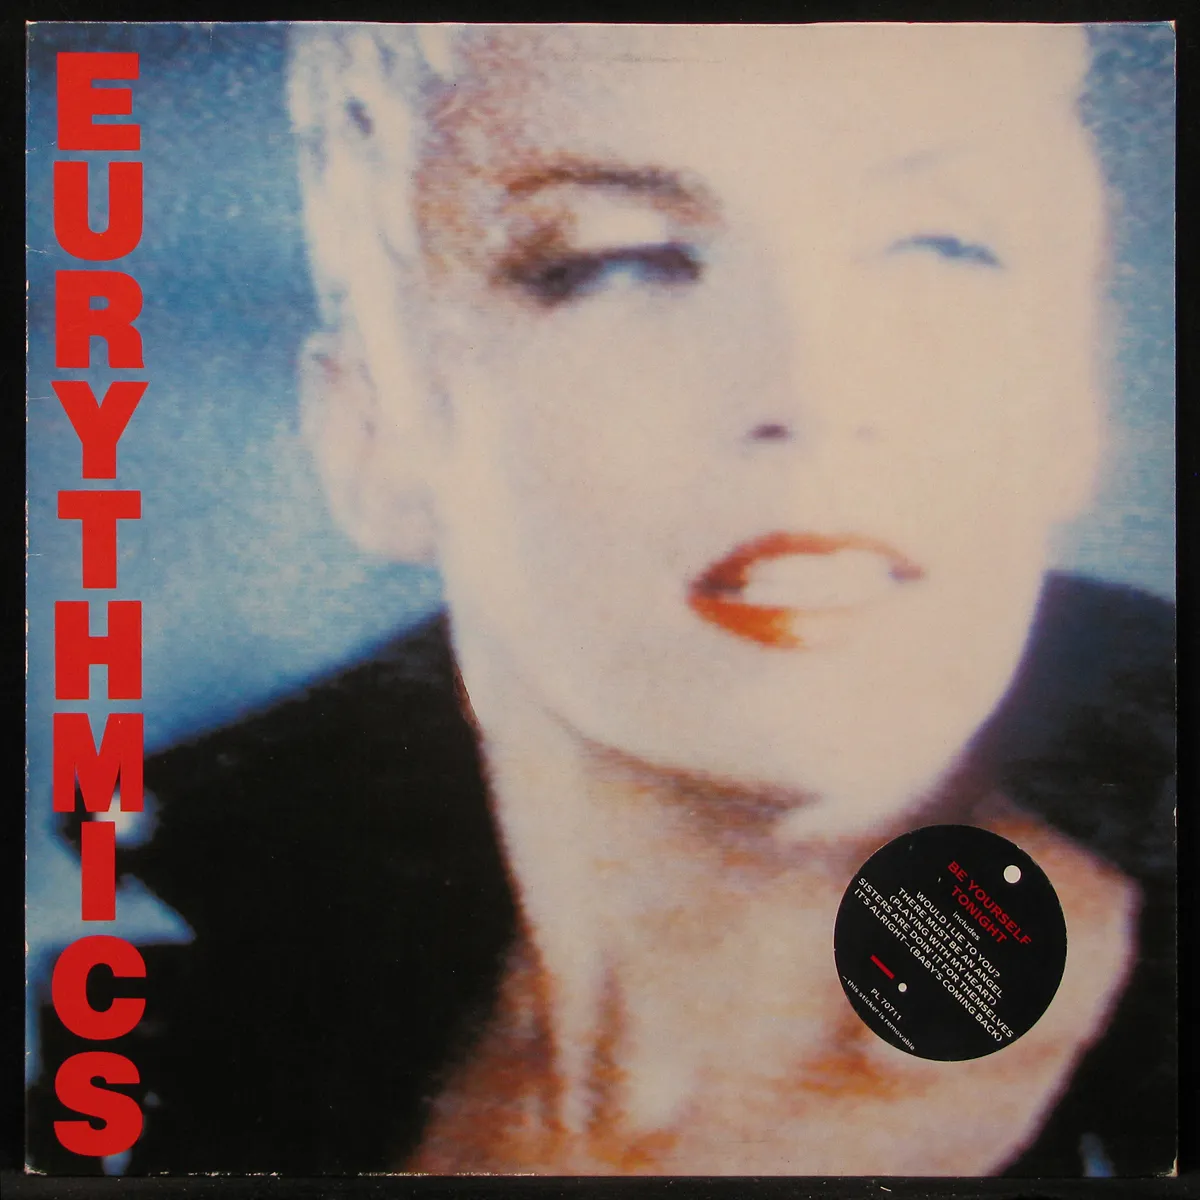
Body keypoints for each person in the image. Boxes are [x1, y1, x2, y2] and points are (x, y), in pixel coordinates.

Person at [31, 23, 1175, 1176]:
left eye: (938, 245)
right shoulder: (148, 1073)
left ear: (1069, 390)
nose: (811, 390)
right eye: (616, 261)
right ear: (369, 431)